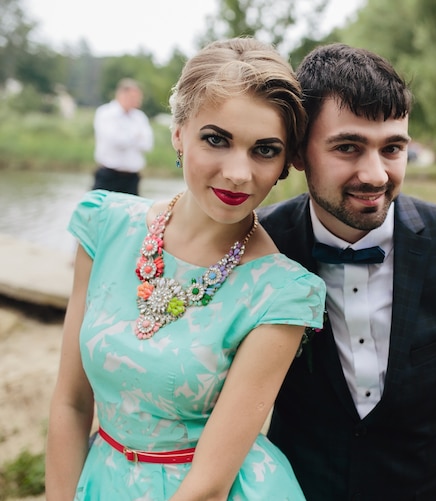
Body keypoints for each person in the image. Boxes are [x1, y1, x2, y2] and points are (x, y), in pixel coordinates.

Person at [45, 37, 326, 500]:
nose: (238, 173)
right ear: (178, 132)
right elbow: (72, 403)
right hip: (100, 478)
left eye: (264, 150)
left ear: (283, 165)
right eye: (217, 139)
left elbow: (209, 487)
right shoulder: (106, 228)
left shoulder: (282, 293)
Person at [258, 43, 436, 500]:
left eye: (393, 148)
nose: (376, 174)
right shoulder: (258, 247)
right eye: (348, 147)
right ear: (299, 154)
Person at [92, 77, 154, 195]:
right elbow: (115, 141)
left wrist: (129, 138)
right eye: (133, 97)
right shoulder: (105, 113)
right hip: (108, 176)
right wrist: (136, 137)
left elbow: (147, 144)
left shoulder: (140, 117)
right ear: (122, 95)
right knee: (99, 210)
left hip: (131, 178)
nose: (138, 101)